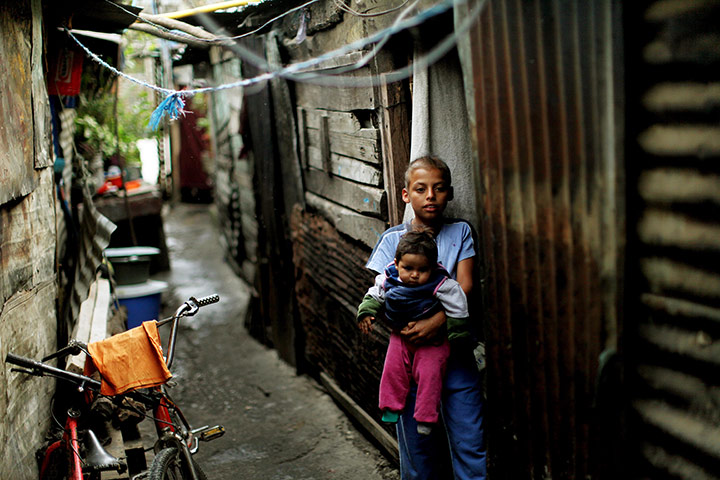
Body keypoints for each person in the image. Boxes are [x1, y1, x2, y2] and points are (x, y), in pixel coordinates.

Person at [365, 155, 486, 480]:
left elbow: (465, 286)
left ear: (449, 193)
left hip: (457, 359)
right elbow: (381, 292)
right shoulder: (392, 240)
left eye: (439, 188)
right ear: (406, 195)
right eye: (421, 189)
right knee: (419, 455)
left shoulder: (460, 232)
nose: (430, 196)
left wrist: (436, 322)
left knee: (470, 444)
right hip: (410, 361)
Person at [357, 229, 470, 436]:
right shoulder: (389, 276)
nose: (414, 275)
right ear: (396, 263)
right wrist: (366, 312)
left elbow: (458, 304)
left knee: (429, 373)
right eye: (408, 268)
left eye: (422, 269)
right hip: (401, 336)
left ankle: (426, 417)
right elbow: (375, 294)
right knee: (393, 369)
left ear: (433, 267)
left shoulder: (440, 283)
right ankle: (390, 406)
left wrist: (457, 334)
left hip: (433, 339)